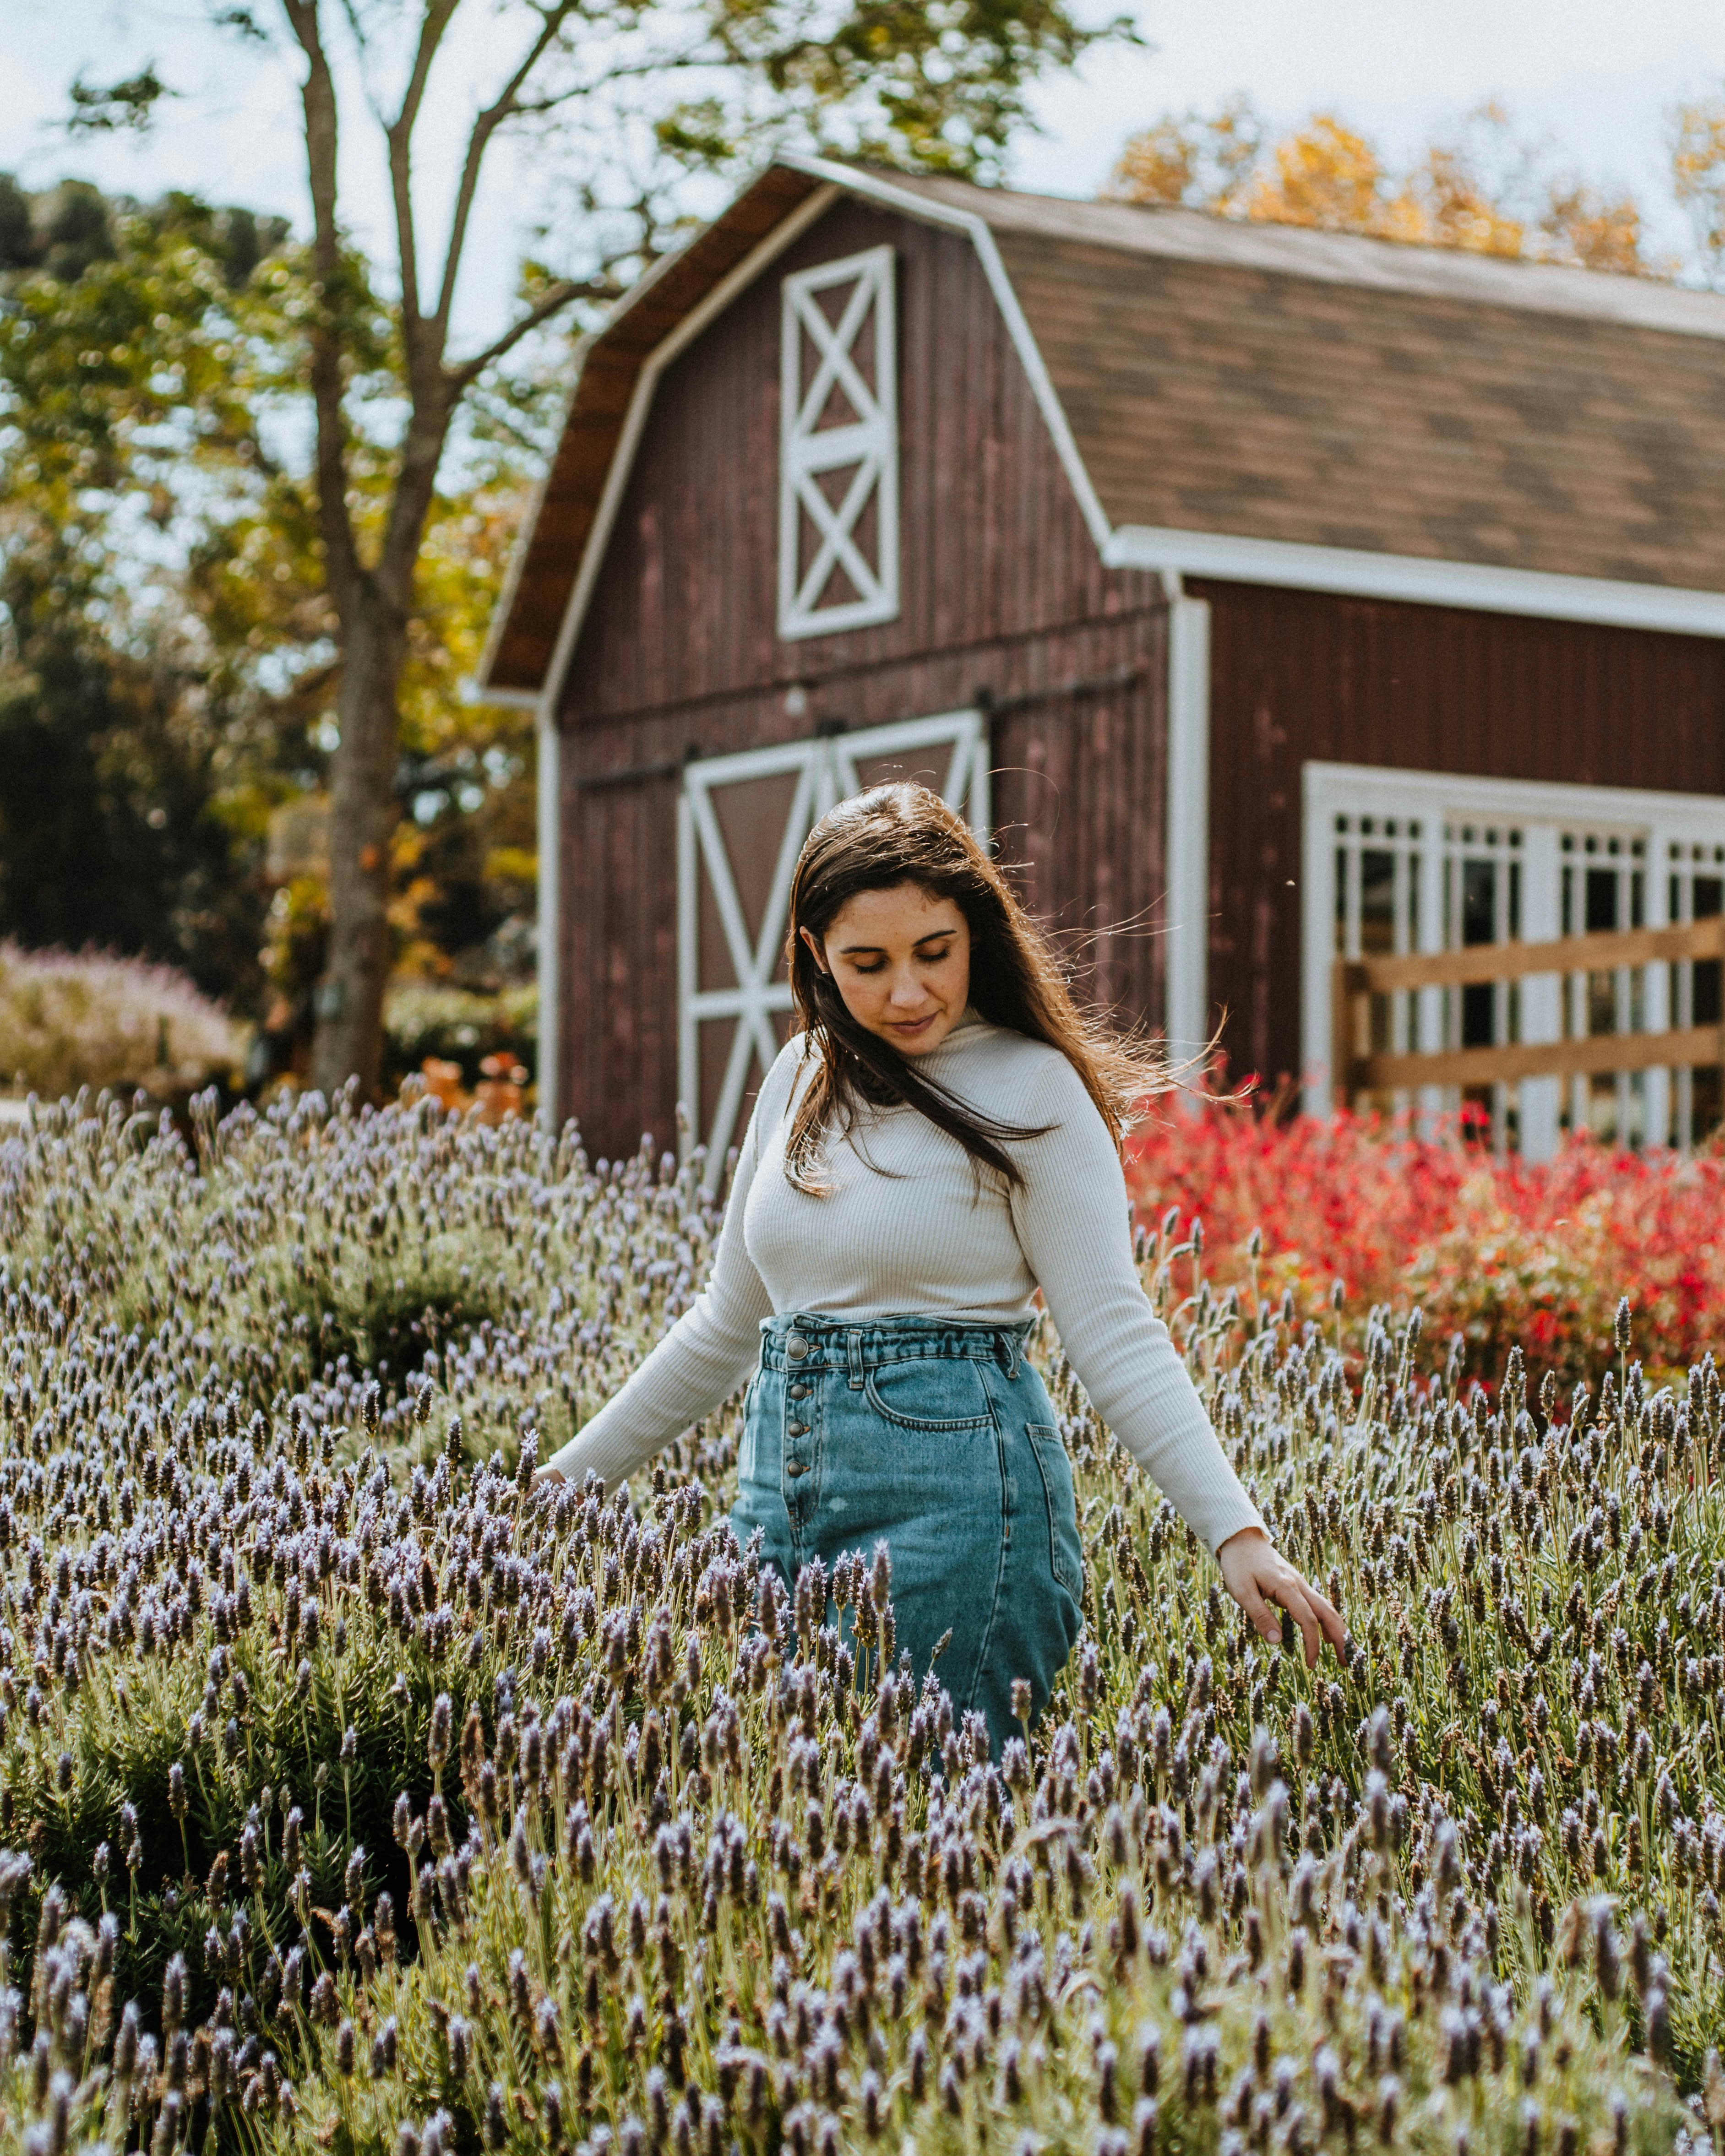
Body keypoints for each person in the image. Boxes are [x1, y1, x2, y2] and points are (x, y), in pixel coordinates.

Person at [538, 782, 1344, 1747]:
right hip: (773, 1512)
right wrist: (557, 1490)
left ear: (977, 932)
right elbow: (724, 1324)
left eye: (934, 953)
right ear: (815, 958)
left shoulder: (1032, 1085)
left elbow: (1114, 1331)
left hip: (962, 1516)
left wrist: (1236, 1530)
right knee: (782, 1832)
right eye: (867, 964)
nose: (909, 993)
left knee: (938, 1834)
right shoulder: (795, 1081)